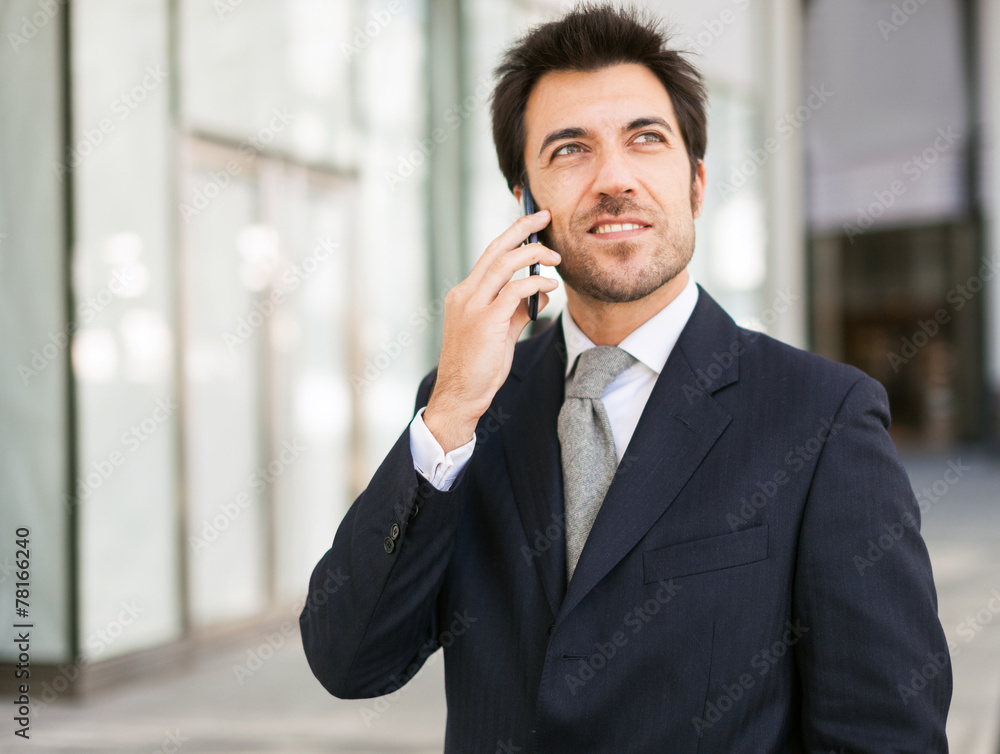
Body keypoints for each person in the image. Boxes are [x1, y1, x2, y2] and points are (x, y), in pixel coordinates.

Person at [300, 5, 951, 752]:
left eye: (646, 139)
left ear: (697, 185)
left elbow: (883, 731)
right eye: (570, 149)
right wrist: (450, 409)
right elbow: (349, 661)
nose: (615, 179)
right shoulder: (466, 409)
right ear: (525, 205)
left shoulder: (822, 417)